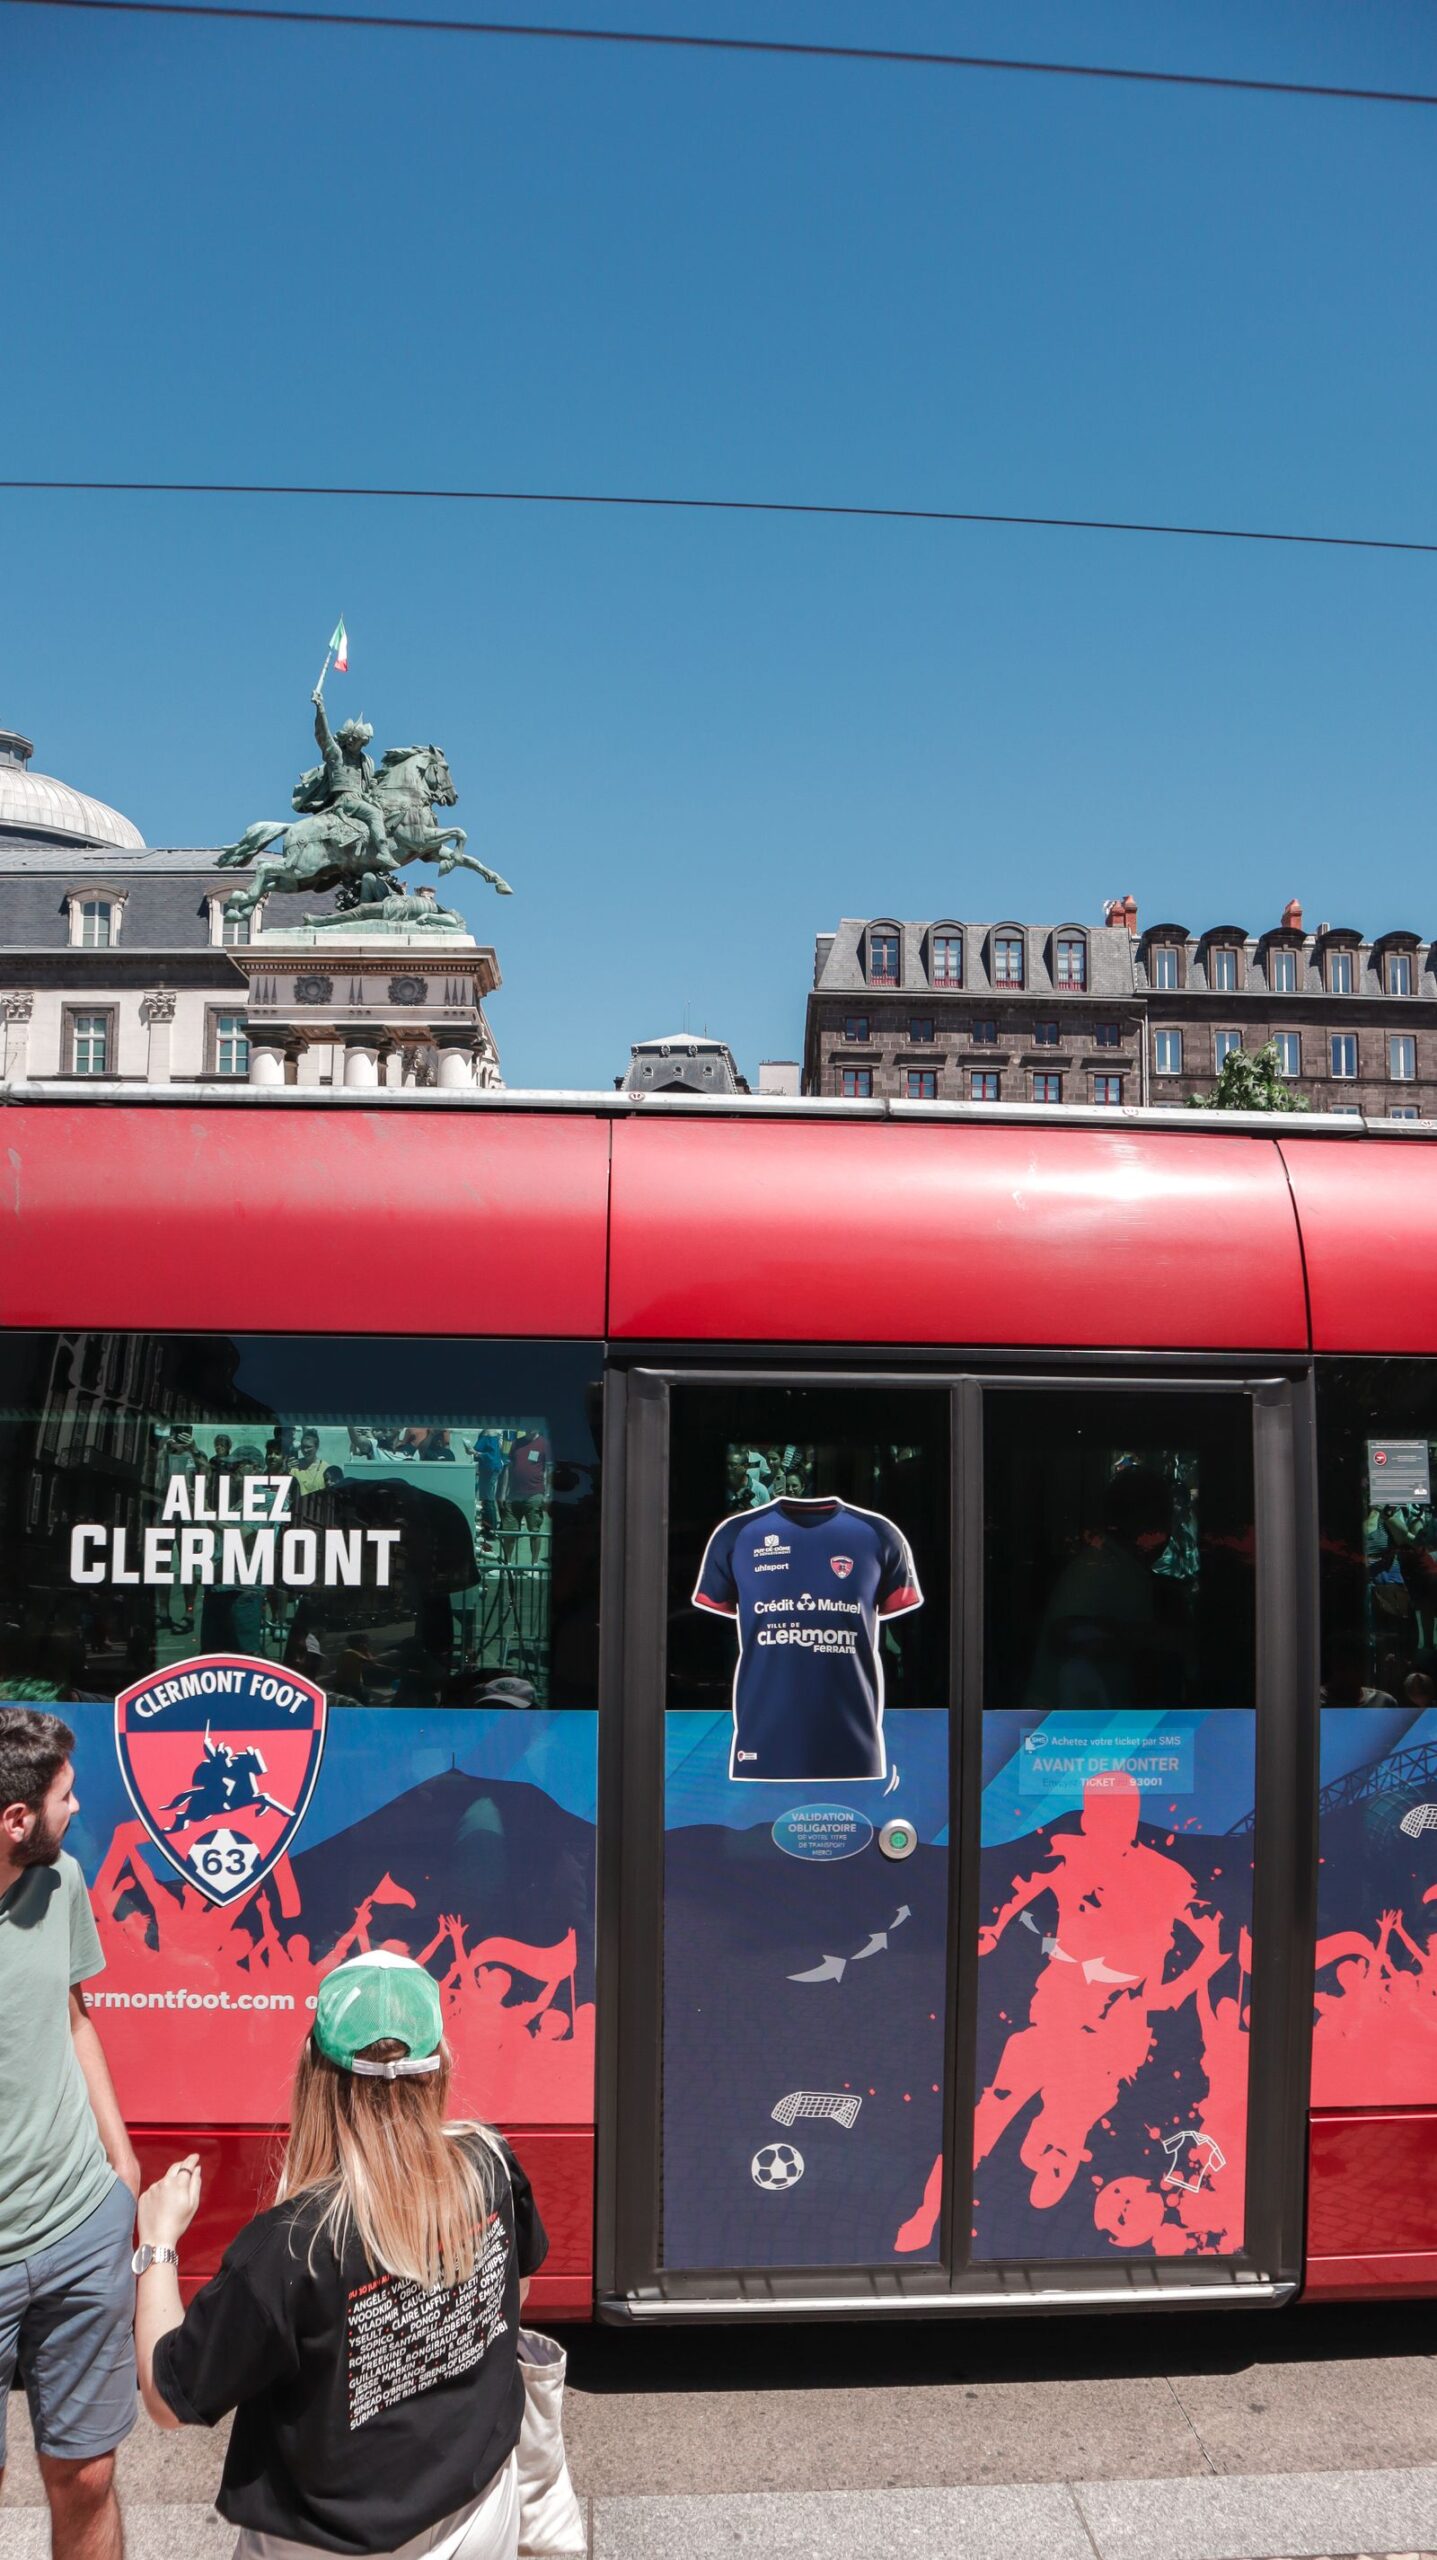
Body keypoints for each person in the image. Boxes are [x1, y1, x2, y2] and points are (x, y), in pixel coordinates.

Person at [135, 1950, 547, 2560]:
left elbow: (168, 2399)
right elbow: (518, 2290)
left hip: (330, 2543)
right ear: (439, 2066)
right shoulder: (489, 2163)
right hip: (480, 2514)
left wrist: (157, 2243)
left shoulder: (290, 2246)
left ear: (314, 2074)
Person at [0, 1708, 142, 2560]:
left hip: (80, 2226)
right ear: (17, 1820)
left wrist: (120, 2163)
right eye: (65, 1796)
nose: (79, 1807)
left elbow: (72, 2013)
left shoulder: (60, 1881)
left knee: (86, 2476)